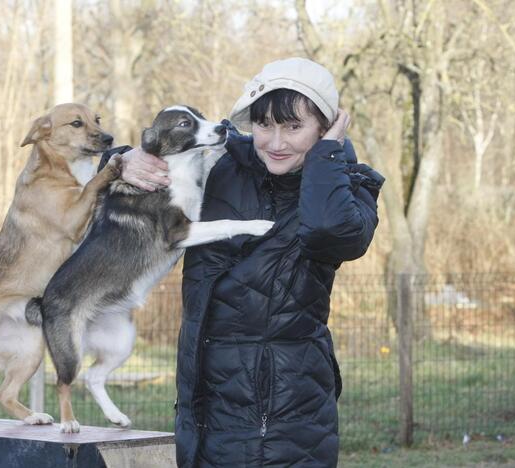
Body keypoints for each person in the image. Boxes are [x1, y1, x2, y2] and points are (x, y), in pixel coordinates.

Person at [107, 57, 383, 467]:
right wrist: (120, 161)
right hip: (204, 406)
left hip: (288, 417)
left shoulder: (348, 188)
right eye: (264, 125)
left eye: (294, 127)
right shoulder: (220, 163)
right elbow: (79, 179)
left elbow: (329, 232)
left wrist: (330, 154)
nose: (275, 142)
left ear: (325, 128)